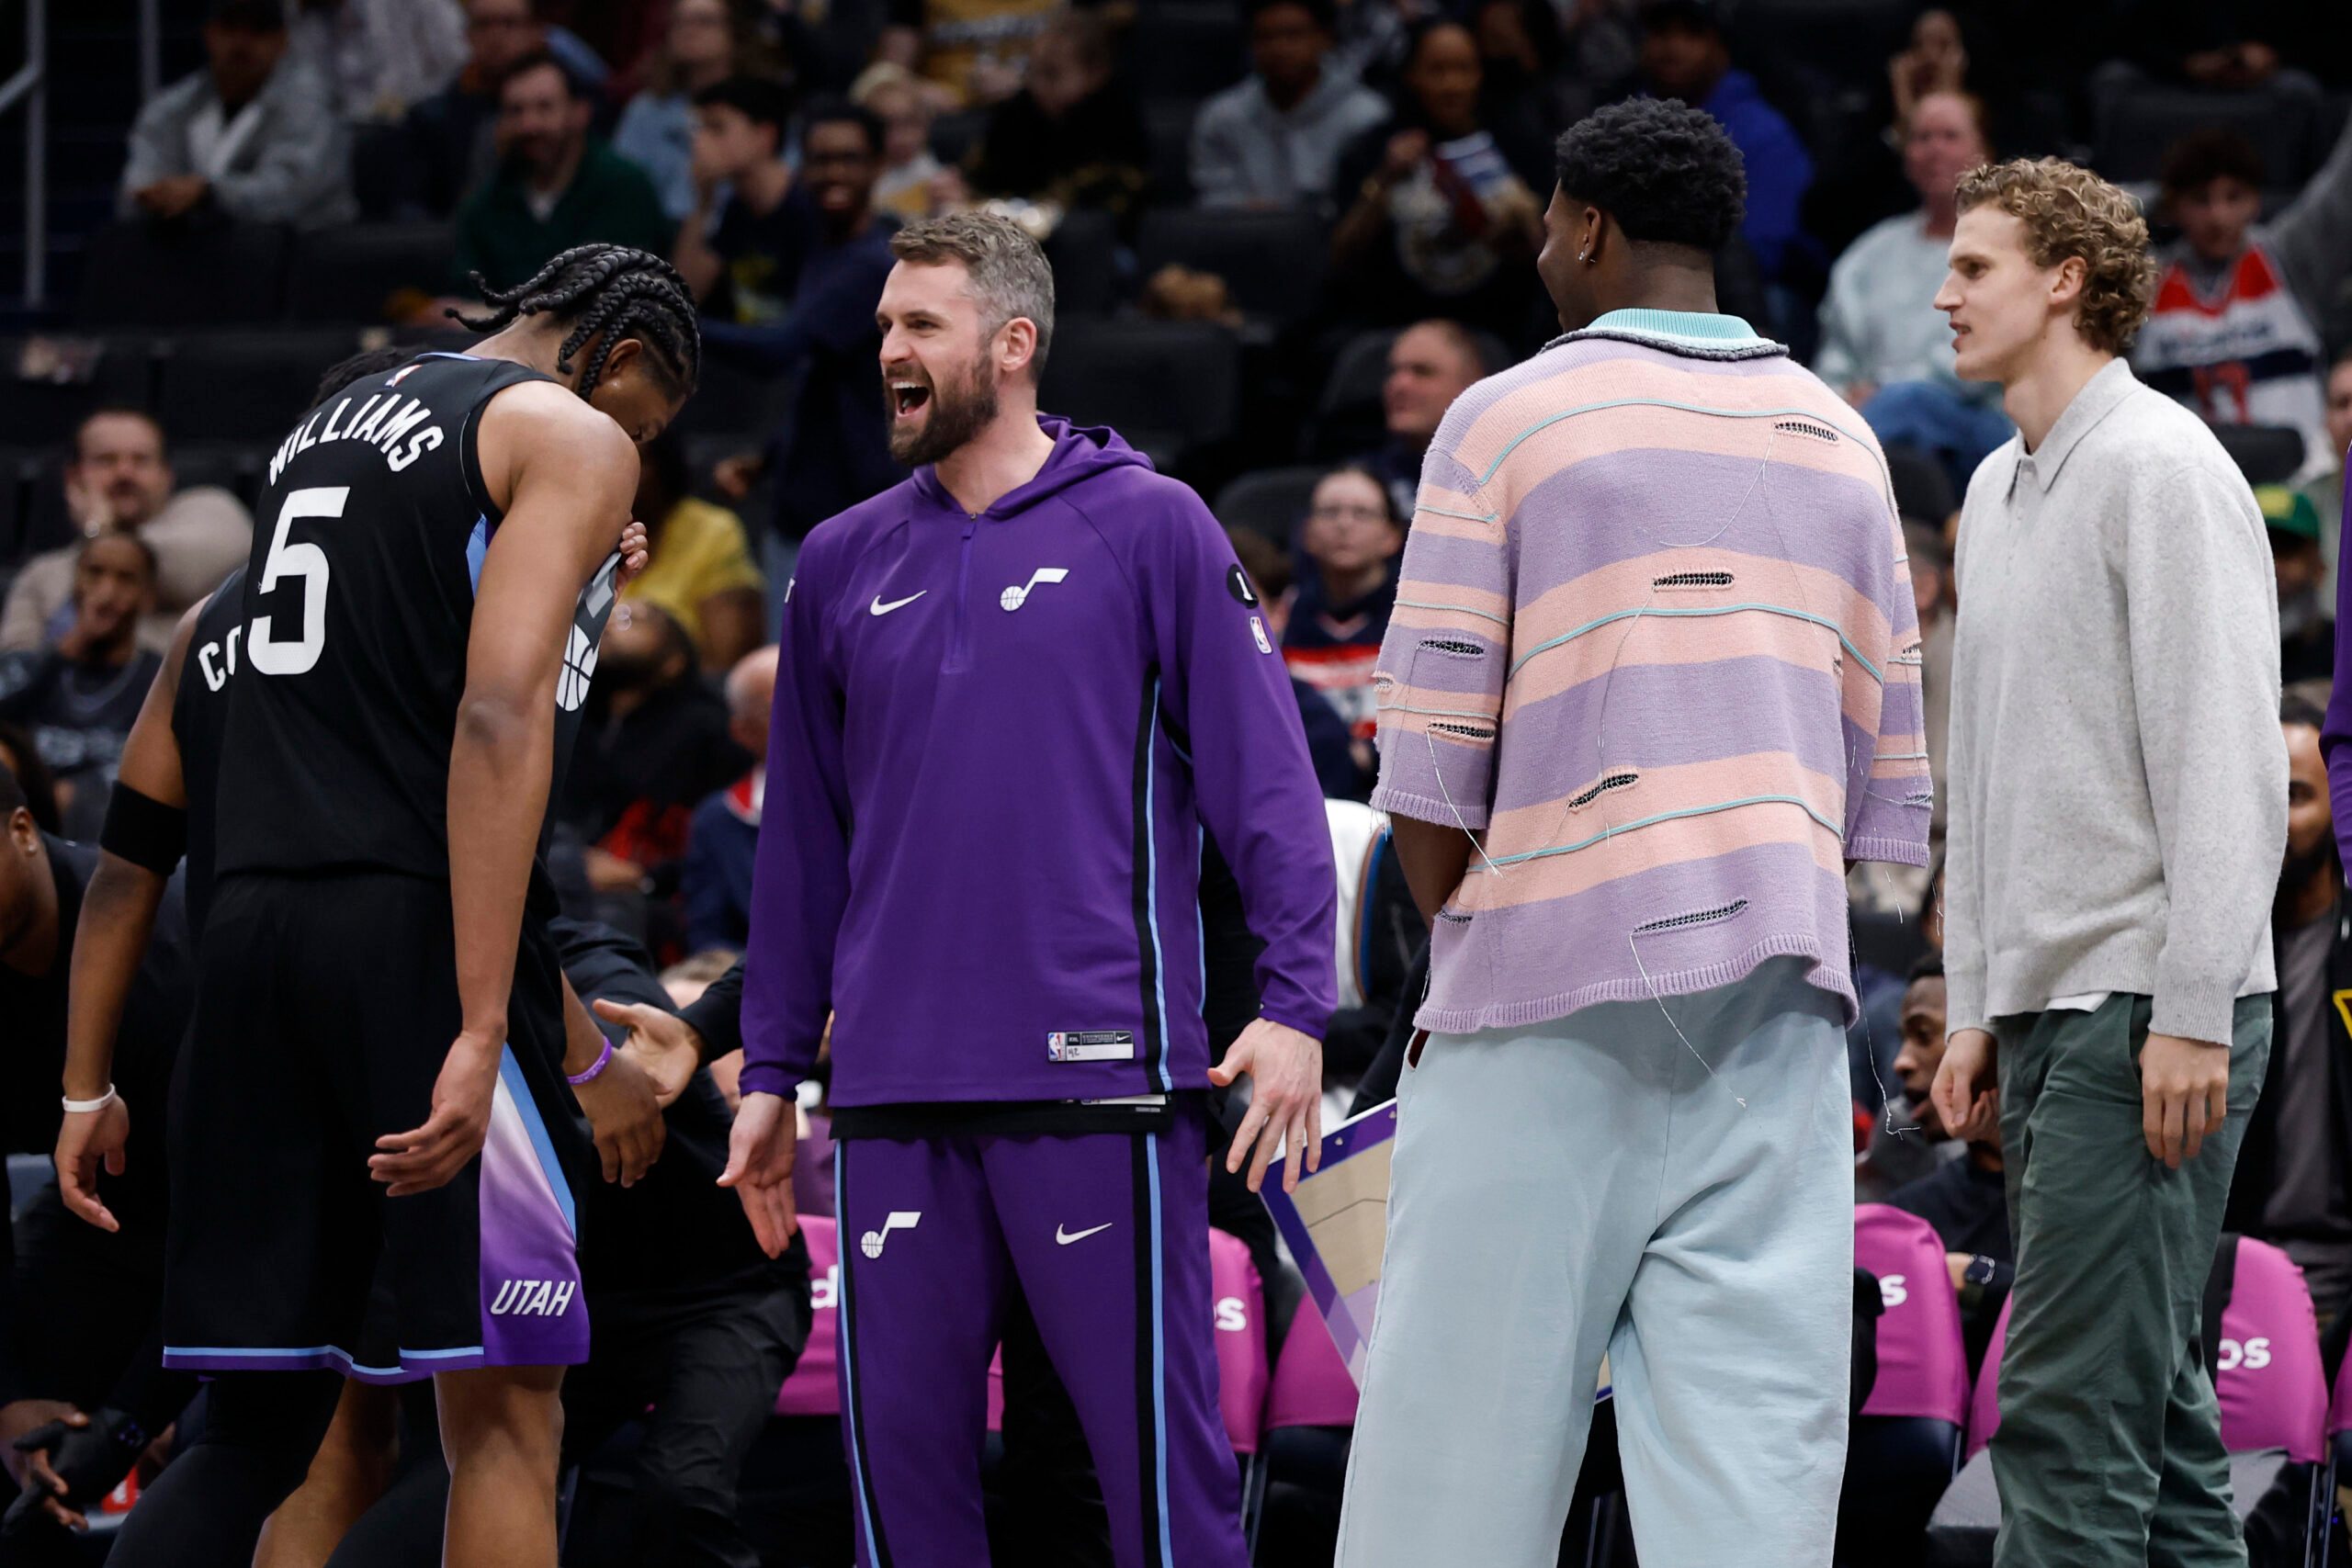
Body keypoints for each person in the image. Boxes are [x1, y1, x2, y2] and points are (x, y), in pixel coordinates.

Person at [1336, 98, 1930, 1567]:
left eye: (1546, 218)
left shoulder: (1507, 414)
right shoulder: (1841, 438)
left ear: (1585, 224)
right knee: (1751, 1480)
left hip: (1548, 992)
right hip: (1778, 1004)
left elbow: (1428, 765)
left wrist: (1478, 916)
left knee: (1451, 1475)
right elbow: (1875, 774)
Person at [707, 211, 1335, 1568]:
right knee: (906, 1511)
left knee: (1164, 1503)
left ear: (1014, 342)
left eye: (918, 324)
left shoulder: (1154, 525)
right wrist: (768, 1066)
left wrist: (1298, 1004)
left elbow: (1268, 791)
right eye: (882, 324)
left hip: (1097, 1082)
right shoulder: (836, 559)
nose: (887, 350)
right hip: (886, 1095)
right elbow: (802, 845)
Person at [62, 245, 699, 1568]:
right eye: (640, 426)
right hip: (405, 939)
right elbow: (493, 712)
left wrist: (81, 1083)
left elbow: (377, 663)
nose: (625, 455)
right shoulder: (564, 430)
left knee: (266, 1422)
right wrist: (487, 1028)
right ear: (621, 360)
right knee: (511, 1417)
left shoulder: (334, 420)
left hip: (246, 940)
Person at [1928, 158, 2285, 1568]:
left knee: (2068, 1419)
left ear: (2065, 279)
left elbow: (2228, 762)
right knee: (2159, 1420)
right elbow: (1995, 777)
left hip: (2149, 1007)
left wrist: (2197, 1002)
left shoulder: (2162, 466)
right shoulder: (1990, 487)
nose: (1944, 293)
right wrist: (1971, 1000)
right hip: (2054, 1010)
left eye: (1975, 266)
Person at [0, 763, 196, 1554]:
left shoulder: (158, 943)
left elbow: (237, 1211)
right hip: (103, 1215)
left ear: (21, 833)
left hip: (247, 1229)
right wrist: (9, 1395)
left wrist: (132, 1414)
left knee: (200, 1457)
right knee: (30, 1449)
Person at [700, 98, 901, 585]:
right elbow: (822, 373)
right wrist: (767, 459)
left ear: (878, 165)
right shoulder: (820, 251)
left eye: (849, 158)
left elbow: (778, 351)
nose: (833, 172)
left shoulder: (872, 262)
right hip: (806, 512)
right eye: (820, 159)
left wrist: (665, 313)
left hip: (854, 522)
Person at [2226, 694, 2352, 1329]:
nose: (2273, 813)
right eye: (2260, 789)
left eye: (2297, 794)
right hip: (2237, 1278)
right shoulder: (2219, 955)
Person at [2133, 121, 2352, 481]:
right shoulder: (2145, 283)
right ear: (2174, 207)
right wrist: (2155, 201)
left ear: (2256, 201)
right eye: (2200, 200)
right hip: (2196, 490)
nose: (2218, 216)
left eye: (2234, 197)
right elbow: (2088, 224)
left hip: (2298, 489)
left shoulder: (2292, 258)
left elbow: (2343, 186)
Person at [1815, 92, 2013, 489]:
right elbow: (1837, 351)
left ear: (1984, 150)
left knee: (1910, 404)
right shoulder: (1870, 253)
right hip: (1878, 426)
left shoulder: (2007, 245)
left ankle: (1817, 481)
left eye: (1950, 136)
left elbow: (1976, 366)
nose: (1934, 149)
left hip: (1980, 424)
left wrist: (1882, 395)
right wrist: (1839, 396)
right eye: (1922, 138)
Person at [1329, 18, 1549, 338]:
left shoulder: (1517, 144)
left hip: (1498, 328)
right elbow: (1341, 257)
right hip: (1394, 327)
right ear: (1411, 75)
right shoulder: (1375, 148)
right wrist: (1385, 178)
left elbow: (1553, 254)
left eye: (1464, 69)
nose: (1452, 85)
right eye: (1437, 70)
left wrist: (1523, 235)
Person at [0, 410, 253, 656]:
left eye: (140, 460)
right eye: (106, 460)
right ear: (73, 478)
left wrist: (100, 533)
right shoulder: (41, 575)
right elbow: (15, 675)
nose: (124, 473)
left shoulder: (213, 512)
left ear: (166, 474)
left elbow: (178, 574)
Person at [1879, 955, 2012, 1371]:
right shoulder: (1907, 1219)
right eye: (1902, 1039)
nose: (1900, 1061)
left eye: (1924, 1035)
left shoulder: (2086, 1196)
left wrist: (1978, 1278)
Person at [118, 0, 356, 230]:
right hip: (200, 258)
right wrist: (155, 197)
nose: (242, 42)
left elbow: (290, 193)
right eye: (230, 27)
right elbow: (139, 186)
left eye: (258, 29)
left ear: (282, 40)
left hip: (299, 258)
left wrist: (210, 194)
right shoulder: (172, 108)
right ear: (209, 33)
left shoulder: (312, 104)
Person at [451, 51, 672, 293]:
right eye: (515, 111)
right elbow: (464, 298)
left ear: (580, 113)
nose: (529, 125)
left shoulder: (623, 187)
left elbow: (626, 296)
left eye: (544, 108)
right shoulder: (485, 204)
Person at [1634, 0, 1813, 290]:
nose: (1672, 48)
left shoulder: (1762, 132)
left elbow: (1768, 248)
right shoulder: (1617, 123)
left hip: (1730, 291)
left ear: (1720, 48)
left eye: (1691, 34)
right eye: (1661, 33)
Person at [0, 535, 166, 838]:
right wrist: (66, 650)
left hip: (105, 835)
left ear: (148, 596)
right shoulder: (33, 665)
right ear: (74, 583)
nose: (107, 592)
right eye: (95, 573)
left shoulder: (161, 678)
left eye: (125, 579)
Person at [1191, 0, 1392, 213]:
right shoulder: (1221, 117)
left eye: (1293, 35)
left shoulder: (1366, 116)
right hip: (1242, 239)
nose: (1279, 49)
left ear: (1325, 38)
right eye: (1265, 37)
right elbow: (1211, 201)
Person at [961, 12, 1149, 227]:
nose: (1037, 86)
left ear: (1096, 73)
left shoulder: (1118, 120)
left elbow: (1116, 203)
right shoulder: (1017, 110)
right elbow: (979, 179)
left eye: (1052, 74)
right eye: (1032, 71)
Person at [1282, 465, 1402, 796]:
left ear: (1392, 537)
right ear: (1307, 534)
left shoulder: (1418, 620)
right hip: (1308, 794)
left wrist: (1369, 758)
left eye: (1362, 514)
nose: (1344, 525)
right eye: (1330, 512)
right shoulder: (1279, 619)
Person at [1227, 527, 1359, 799]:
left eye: (1238, 602)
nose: (1223, 618)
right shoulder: (1158, 705)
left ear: (1279, 613)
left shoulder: (1311, 719)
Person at [395, 0, 559, 218]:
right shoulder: (431, 122)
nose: (496, 37)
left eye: (509, 23)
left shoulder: (572, 103)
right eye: (484, 24)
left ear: (536, 31)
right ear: (467, 35)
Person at [618, 433, 764, 671]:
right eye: (614, 462)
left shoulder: (713, 531)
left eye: (638, 463)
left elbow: (726, 660)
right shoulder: (581, 525)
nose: (624, 476)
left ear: (664, 467)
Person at [613, 0, 765, 222]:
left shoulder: (761, 105)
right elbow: (621, 187)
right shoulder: (646, 108)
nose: (689, 30)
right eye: (679, 22)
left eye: (704, 21)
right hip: (654, 237)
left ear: (734, 33)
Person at [673, 74, 800, 323]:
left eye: (716, 128)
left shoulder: (805, 208)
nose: (699, 143)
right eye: (699, 130)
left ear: (765, 136)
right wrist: (703, 203)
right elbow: (685, 297)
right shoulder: (738, 206)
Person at [682, 648, 776, 955]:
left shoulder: (883, 799)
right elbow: (710, 941)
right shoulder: (721, 819)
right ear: (743, 732)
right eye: (783, 706)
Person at [1357, 318, 1487, 519]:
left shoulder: (1506, 479)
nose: (1398, 385)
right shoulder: (1362, 480)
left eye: (1422, 372)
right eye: (1394, 371)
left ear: (1471, 386)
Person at [286, 0, 469, 123]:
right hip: (347, 132)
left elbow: (457, 56)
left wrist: (413, 100)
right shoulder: (306, 17)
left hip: (424, 114)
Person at [876, 0, 1069, 110]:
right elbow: (887, 73)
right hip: (944, 118)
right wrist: (918, 91)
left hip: (1035, 108)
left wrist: (1023, 85)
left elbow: (1077, 74)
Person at [854, 62, 950, 222]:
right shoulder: (852, 181)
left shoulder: (941, 184)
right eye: (888, 126)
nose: (903, 137)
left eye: (911, 122)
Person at [2263, 486, 2334, 684]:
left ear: (2318, 568)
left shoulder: (2343, 655)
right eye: (2258, 551)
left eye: (2286, 549)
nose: (2273, 567)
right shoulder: (2215, 652)